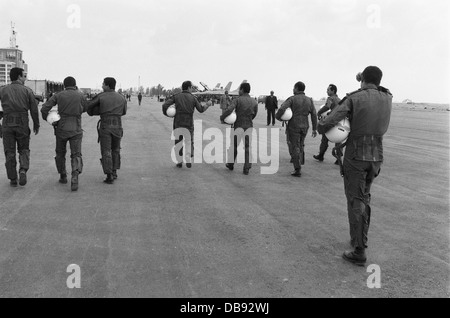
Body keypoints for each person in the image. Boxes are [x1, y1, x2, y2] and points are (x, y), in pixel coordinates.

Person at [318, 66, 392, 266]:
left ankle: (359, 249)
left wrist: (321, 125)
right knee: (365, 197)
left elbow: (329, 121)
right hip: (376, 156)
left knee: (355, 200)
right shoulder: (388, 97)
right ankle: (359, 237)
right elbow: (376, 90)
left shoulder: (354, 98)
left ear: (363, 79)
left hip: (356, 157)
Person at [41, 76, 87, 191]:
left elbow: (44, 108)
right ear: (75, 84)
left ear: (64, 85)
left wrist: (50, 120)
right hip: (76, 128)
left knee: (60, 153)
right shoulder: (81, 95)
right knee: (76, 153)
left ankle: (63, 175)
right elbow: (86, 108)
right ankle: (75, 176)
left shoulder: (58, 95)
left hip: (61, 128)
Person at [0, 67, 40, 187]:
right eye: (24, 76)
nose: (25, 78)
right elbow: (34, 109)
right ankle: (23, 170)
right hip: (22, 123)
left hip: (7, 123)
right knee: (23, 149)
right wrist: (36, 124)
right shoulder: (27, 91)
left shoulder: (2, 90)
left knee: (9, 151)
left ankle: (12, 178)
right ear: (18, 76)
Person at [86, 77, 127, 184]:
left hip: (106, 125)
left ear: (108, 85)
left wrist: (99, 110)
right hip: (118, 125)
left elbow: (88, 107)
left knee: (106, 150)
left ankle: (109, 175)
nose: (102, 86)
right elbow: (124, 112)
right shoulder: (122, 97)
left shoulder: (101, 96)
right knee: (116, 149)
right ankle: (114, 171)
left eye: (103, 84)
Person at [162, 81, 211, 168]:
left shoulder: (176, 96)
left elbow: (165, 105)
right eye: (191, 87)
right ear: (189, 87)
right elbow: (201, 109)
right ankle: (188, 158)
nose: (192, 89)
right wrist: (207, 104)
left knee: (178, 142)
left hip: (178, 123)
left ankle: (179, 161)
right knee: (188, 141)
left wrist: (168, 114)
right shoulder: (193, 98)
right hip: (189, 124)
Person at [276, 82, 317, 177]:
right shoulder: (309, 100)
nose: (292, 90)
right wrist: (315, 128)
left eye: (293, 88)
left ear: (297, 88)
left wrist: (278, 117)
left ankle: (297, 168)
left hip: (294, 125)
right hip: (305, 126)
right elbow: (314, 114)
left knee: (294, 146)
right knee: (301, 144)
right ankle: (299, 160)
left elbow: (282, 108)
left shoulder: (292, 99)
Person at [220, 82, 258, 175]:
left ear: (242, 90)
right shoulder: (254, 101)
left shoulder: (237, 100)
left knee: (234, 146)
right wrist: (248, 119)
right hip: (248, 126)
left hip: (238, 126)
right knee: (248, 147)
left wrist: (222, 117)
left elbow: (229, 110)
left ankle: (231, 164)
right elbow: (254, 114)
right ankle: (247, 168)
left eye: (239, 89)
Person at [314, 84, 341, 164]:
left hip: (330, 122)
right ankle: (338, 158)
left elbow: (327, 107)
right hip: (338, 122)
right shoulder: (340, 99)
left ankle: (321, 155)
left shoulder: (330, 98)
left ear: (333, 91)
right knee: (338, 140)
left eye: (328, 90)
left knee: (324, 139)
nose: (327, 91)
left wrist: (319, 112)